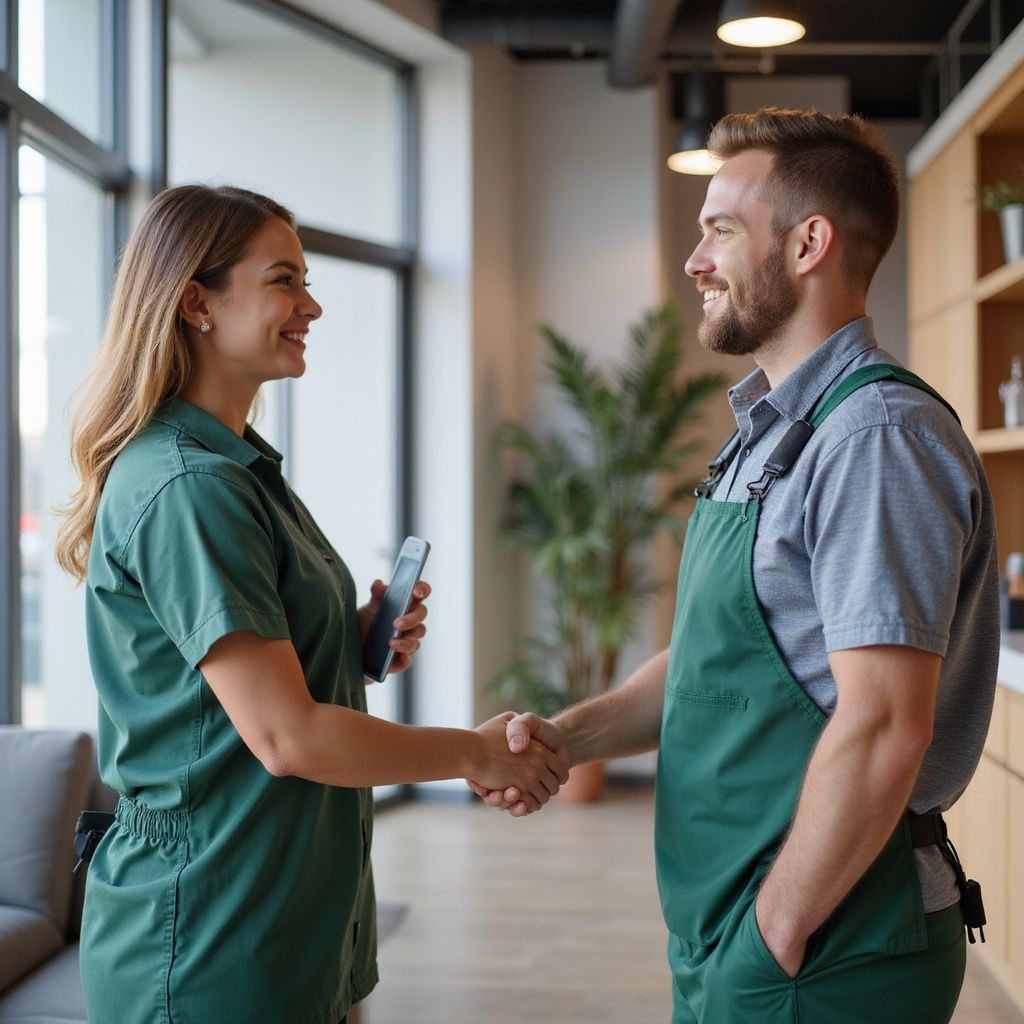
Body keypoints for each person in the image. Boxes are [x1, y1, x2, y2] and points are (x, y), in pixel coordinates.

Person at [471, 108, 999, 1023]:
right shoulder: (771, 434)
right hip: (742, 933)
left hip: (832, 945)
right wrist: (568, 739)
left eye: (719, 229)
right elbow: (718, 663)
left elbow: (883, 729)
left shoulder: (873, 438)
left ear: (809, 244)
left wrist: (774, 935)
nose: (694, 259)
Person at [56, 184, 568, 1024]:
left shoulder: (237, 467)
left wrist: (354, 637)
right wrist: (475, 756)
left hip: (283, 912)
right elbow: (287, 738)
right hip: (211, 938)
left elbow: (244, 689)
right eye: (284, 280)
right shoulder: (190, 487)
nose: (312, 305)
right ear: (197, 304)